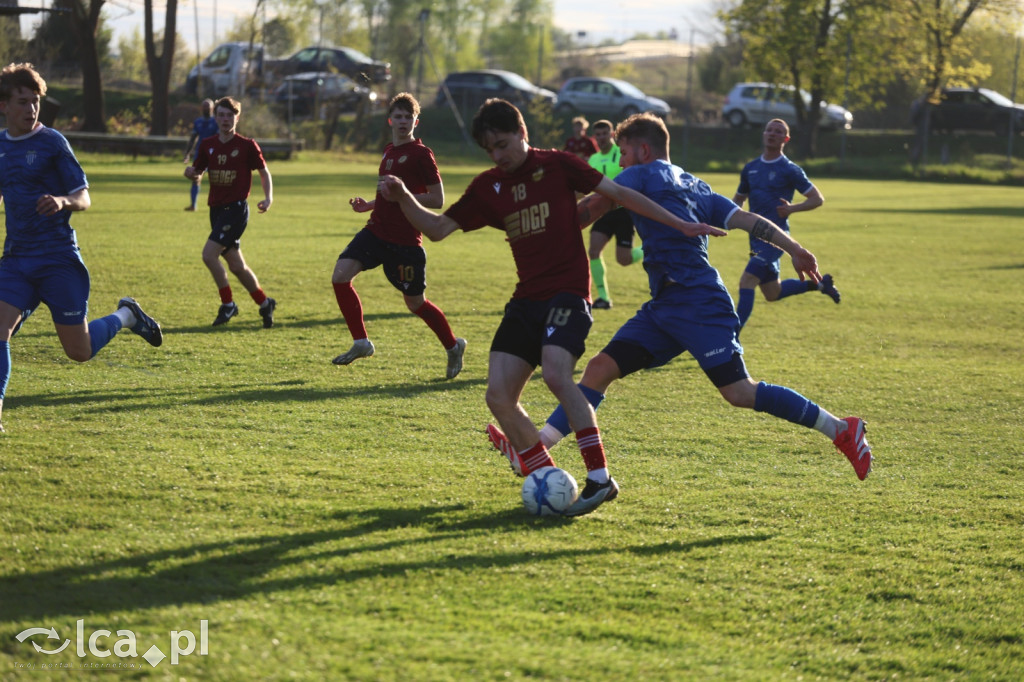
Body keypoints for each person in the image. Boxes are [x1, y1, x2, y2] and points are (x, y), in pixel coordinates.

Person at [487, 113, 874, 515]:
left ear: (643, 150)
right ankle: (536, 447)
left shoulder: (640, 175)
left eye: (624, 153)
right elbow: (748, 220)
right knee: (600, 369)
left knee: (739, 392)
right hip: (665, 307)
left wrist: (533, 226)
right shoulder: (695, 183)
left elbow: (588, 210)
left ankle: (841, 429)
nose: (620, 162)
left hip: (699, 304)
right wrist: (795, 249)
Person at [380, 99, 726, 516]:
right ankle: (547, 477)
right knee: (499, 396)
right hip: (526, 300)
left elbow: (620, 194)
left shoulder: (559, 165)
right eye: (490, 150)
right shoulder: (488, 186)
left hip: (568, 294)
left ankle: (600, 479)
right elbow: (437, 229)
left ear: (522, 133)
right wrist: (403, 197)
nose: (498, 156)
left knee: (556, 374)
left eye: (503, 144)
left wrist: (682, 224)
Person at [0, 63, 162, 432]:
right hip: (17, 260)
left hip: (58, 259)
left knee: (79, 351)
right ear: (3, 106)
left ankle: (127, 316)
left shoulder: (53, 142)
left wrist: (62, 201)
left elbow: (84, 197)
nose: (32, 109)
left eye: (36, 101)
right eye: (23, 102)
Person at [331, 93, 466, 379]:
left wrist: (404, 195)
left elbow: (437, 199)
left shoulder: (421, 154)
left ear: (416, 122)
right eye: (399, 116)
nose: (403, 121)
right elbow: (387, 193)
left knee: (416, 304)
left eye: (409, 117)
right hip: (376, 231)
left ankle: (453, 346)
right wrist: (369, 204)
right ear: (390, 120)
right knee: (340, 276)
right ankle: (361, 342)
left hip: (404, 241)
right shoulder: (389, 150)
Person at [733, 118, 839, 329]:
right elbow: (739, 199)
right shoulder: (750, 168)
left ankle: (731, 337)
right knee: (773, 292)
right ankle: (819, 285)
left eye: (778, 131)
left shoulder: (790, 169)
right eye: (769, 130)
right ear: (764, 134)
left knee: (747, 281)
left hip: (776, 239)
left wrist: (792, 208)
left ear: (786, 139)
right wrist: (727, 216)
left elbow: (817, 199)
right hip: (755, 239)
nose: (772, 133)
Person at [184, 96, 276, 328]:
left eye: (229, 115)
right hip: (216, 210)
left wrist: (268, 198)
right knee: (236, 266)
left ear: (237, 117)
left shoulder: (247, 146)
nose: (225, 119)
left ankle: (228, 304)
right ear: (215, 118)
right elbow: (198, 172)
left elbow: (264, 172)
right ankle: (265, 303)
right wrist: (191, 174)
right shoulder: (208, 144)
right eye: (221, 115)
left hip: (235, 210)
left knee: (209, 255)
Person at [586, 119, 642, 309]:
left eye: (605, 134)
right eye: (598, 135)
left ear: (611, 134)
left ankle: (649, 248)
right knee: (593, 251)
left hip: (624, 210)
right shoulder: (593, 160)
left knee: (623, 260)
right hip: (604, 211)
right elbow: (586, 186)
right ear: (594, 137)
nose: (601, 138)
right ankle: (603, 298)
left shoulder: (622, 153)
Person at [182, 99, 218, 212]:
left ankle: (217, 204)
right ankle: (193, 205)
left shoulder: (217, 121)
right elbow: (193, 138)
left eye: (208, 106)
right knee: (195, 178)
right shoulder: (198, 122)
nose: (206, 109)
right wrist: (187, 154)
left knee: (216, 180)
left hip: (214, 155)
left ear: (212, 108)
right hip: (200, 155)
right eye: (204, 106)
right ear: (201, 108)